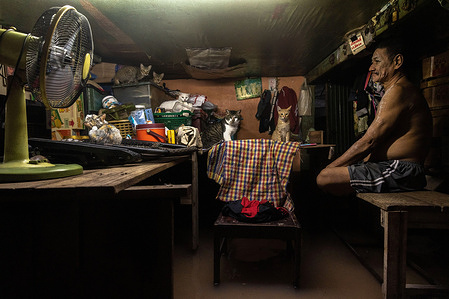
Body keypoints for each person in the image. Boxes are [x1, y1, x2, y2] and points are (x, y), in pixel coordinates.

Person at [316, 38, 432, 196]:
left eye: (377, 61)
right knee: (334, 178)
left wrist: (331, 168)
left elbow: (369, 141)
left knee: (324, 177)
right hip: (394, 167)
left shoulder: (399, 90)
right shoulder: (396, 90)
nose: (371, 68)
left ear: (397, 62)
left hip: (402, 170)